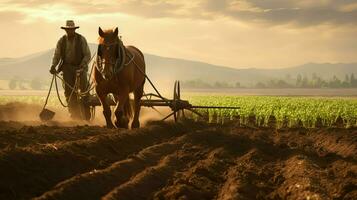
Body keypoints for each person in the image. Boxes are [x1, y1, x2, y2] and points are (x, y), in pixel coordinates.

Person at [49, 20, 91, 120]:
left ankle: (86, 111)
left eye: (71, 29)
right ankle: (74, 114)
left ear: (74, 29)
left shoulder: (81, 39)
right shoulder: (61, 41)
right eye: (68, 30)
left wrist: (82, 65)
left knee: (84, 89)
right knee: (69, 92)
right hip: (67, 68)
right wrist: (53, 65)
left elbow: (87, 55)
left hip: (80, 67)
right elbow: (57, 55)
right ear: (65, 30)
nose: (69, 31)